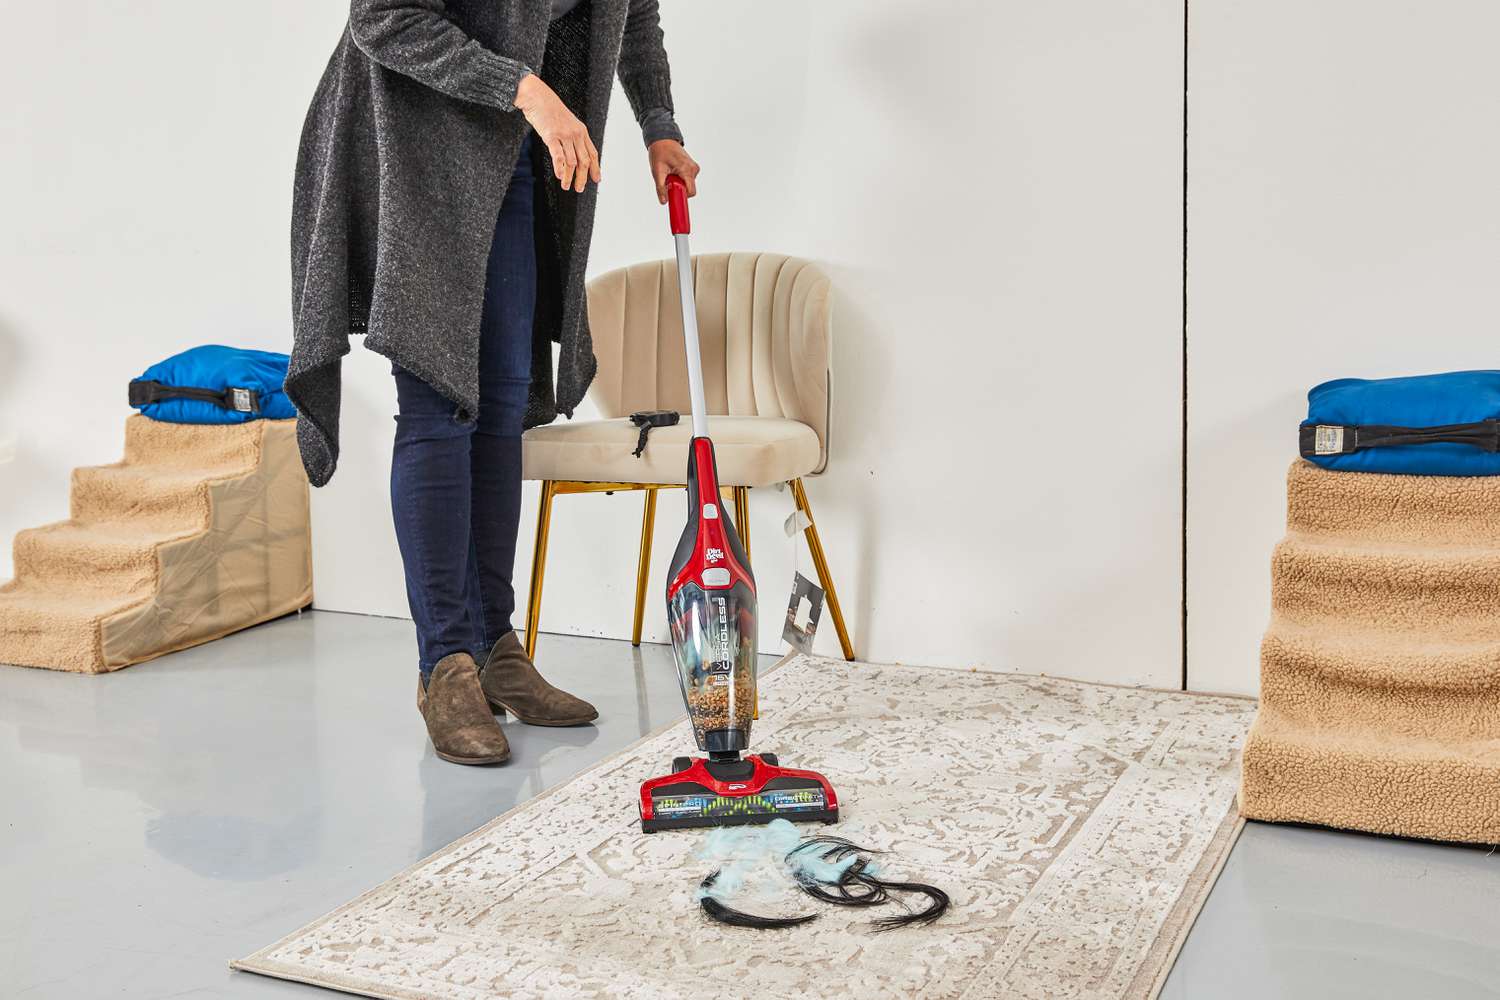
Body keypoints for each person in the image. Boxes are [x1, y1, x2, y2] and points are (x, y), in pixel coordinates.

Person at [286, 0, 700, 764]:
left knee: (504, 403)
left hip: (514, 159)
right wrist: (530, 90)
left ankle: (493, 643)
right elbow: (382, 17)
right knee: (441, 403)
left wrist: (660, 125)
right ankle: (445, 666)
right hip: (414, 148)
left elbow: (634, 16)